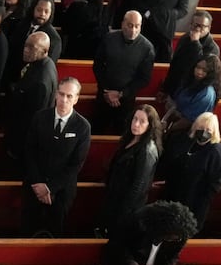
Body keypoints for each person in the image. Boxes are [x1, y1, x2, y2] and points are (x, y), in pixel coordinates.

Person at [22, 76, 92, 236]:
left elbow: (76, 165)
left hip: (61, 191)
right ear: (55, 95)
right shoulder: (40, 117)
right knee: (27, 229)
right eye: (61, 94)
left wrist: (50, 188)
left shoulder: (83, 127)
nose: (64, 100)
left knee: (55, 232)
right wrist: (38, 184)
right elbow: (29, 152)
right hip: (34, 184)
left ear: (76, 99)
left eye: (69, 96)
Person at [99, 105, 161, 238]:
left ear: (150, 126)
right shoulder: (130, 138)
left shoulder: (147, 151)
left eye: (142, 121)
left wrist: (123, 211)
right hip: (115, 197)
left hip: (127, 206)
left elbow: (138, 186)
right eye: (135, 119)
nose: (136, 124)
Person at [160, 111, 221, 234]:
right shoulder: (188, 142)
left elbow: (214, 185)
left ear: (214, 131)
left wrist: (199, 205)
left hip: (194, 205)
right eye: (200, 128)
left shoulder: (216, 152)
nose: (203, 131)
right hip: (174, 197)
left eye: (208, 129)